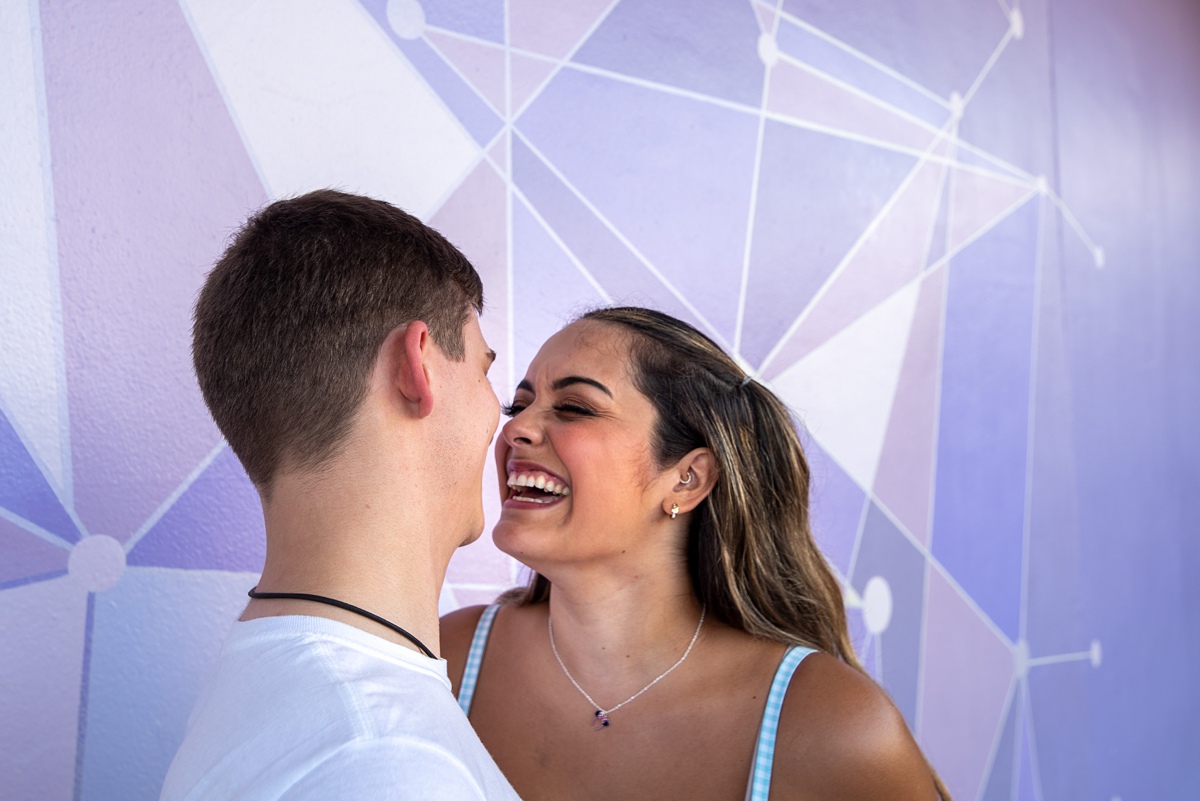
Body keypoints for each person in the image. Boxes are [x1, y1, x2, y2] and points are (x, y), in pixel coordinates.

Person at [442, 306, 950, 800]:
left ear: (688, 478)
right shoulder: (445, 660)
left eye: (574, 408)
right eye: (518, 405)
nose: (515, 429)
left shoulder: (833, 729)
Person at [161, 190, 521, 800]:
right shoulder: (385, 760)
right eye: (486, 370)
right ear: (419, 365)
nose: (505, 417)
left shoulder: (273, 681)